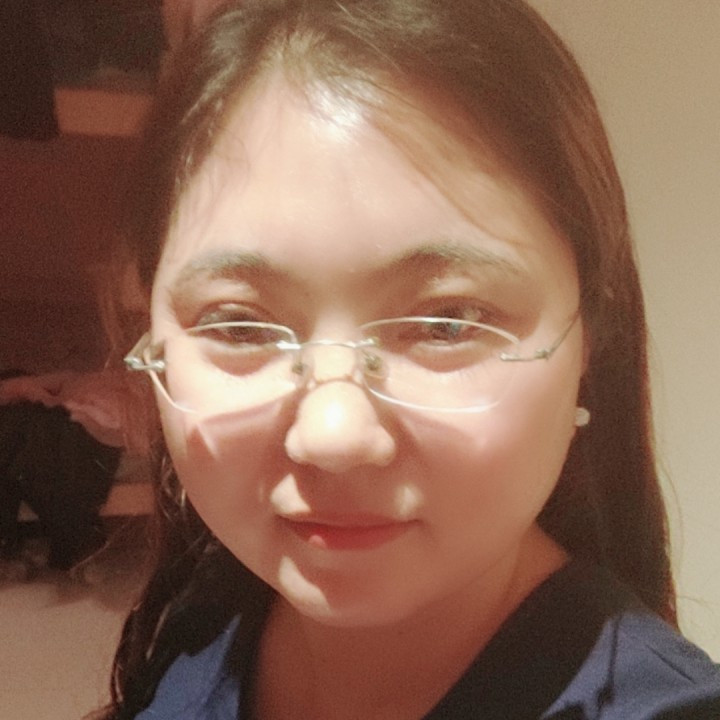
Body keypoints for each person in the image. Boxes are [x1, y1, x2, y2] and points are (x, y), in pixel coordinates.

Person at [96, 1, 720, 718]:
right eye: (241, 326)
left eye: (446, 322)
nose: (332, 436)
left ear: (591, 338)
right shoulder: (211, 605)